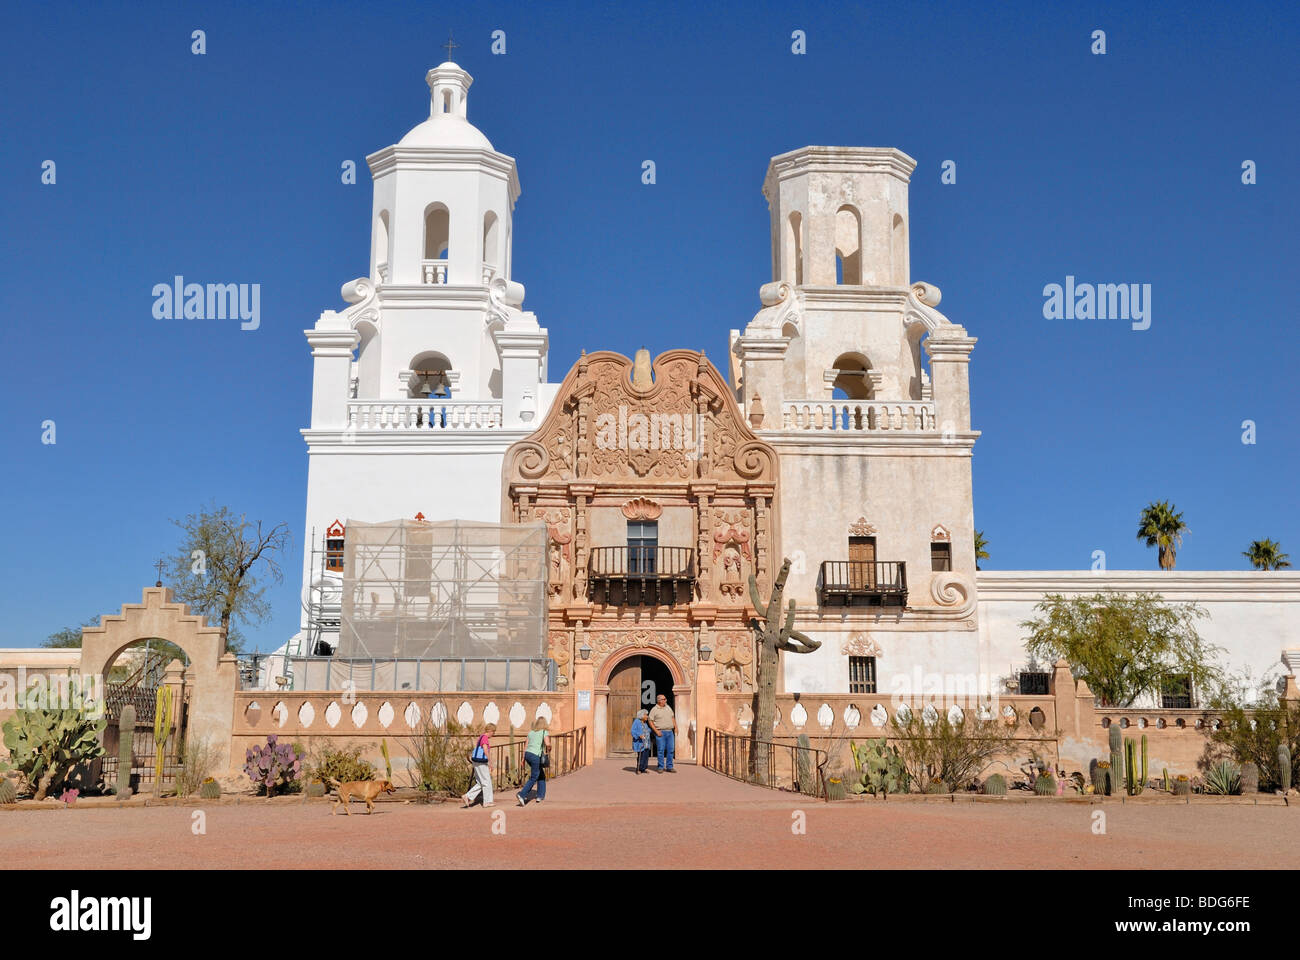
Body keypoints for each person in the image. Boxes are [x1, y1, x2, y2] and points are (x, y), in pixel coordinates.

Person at [517, 717, 550, 805]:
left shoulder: (531, 732)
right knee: (534, 777)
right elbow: (547, 743)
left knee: (541, 775)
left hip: (528, 755)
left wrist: (523, 758)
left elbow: (526, 745)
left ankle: (540, 796)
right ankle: (522, 794)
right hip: (535, 756)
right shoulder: (544, 732)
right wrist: (549, 748)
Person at [461, 723, 496, 808]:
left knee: (481, 782)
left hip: (476, 761)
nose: (494, 734)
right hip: (481, 762)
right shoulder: (485, 738)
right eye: (493, 732)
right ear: (490, 731)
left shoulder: (481, 737)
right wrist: (490, 762)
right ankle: (487, 802)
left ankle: (467, 796)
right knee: (487, 781)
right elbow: (485, 749)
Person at [647, 694, 676, 773]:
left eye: (665, 699)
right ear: (659, 701)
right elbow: (650, 721)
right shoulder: (654, 709)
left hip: (670, 732)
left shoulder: (668, 707)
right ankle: (660, 767)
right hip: (660, 732)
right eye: (664, 699)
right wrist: (656, 731)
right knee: (661, 750)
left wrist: (675, 727)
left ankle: (670, 767)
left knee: (671, 750)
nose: (665, 700)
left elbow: (672, 717)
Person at [631, 709, 651, 774]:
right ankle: (639, 769)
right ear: (642, 715)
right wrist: (639, 735)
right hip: (640, 742)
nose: (647, 716)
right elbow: (633, 731)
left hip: (646, 742)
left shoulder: (645, 723)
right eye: (646, 715)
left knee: (646, 756)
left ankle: (644, 768)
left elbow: (647, 730)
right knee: (641, 756)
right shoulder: (636, 722)